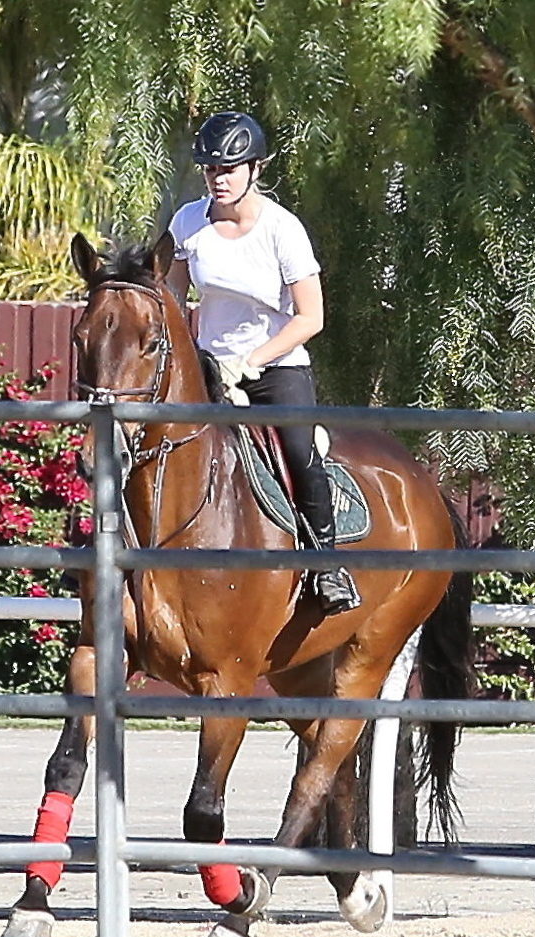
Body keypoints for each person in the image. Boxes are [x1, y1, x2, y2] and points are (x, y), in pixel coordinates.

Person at [167, 110, 360, 616]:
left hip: (275, 368)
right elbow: (171, 299)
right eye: (211, 169)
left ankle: (328, 567)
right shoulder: (188, 222)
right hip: (209, 369)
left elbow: (311, 317)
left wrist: (250, 361)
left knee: (299, 452)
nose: (219, 179)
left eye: (230, 168)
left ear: (257, 168)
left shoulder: (283, 230)